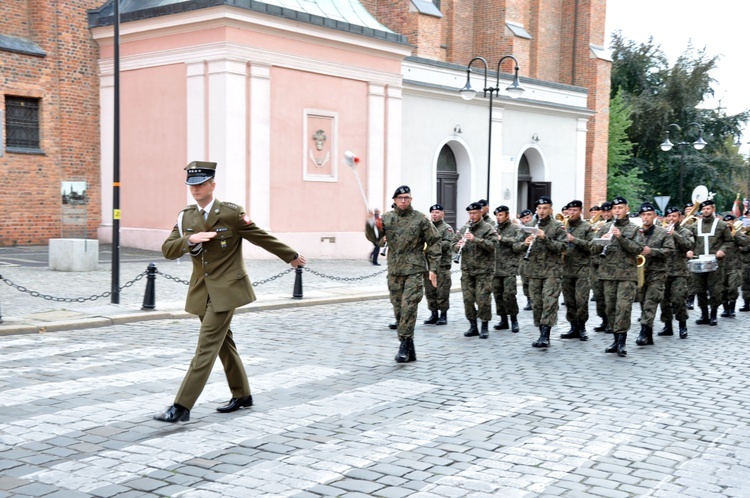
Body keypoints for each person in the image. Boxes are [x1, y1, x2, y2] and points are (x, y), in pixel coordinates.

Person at [155, 161, 306, 423]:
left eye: (201, 184)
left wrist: (290, 256)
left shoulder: (231, 214)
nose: (196, 189)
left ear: (213, 185)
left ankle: (181, 406)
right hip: (202, 291)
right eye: (192, 185)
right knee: (225, 344)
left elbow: (259, 236)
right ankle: (242, 395)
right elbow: (167, 250)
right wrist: (189, 240)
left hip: (227, 289)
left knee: (206, 347)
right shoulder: (185, 217)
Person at [366, 186, 440, 362]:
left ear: (411, 199)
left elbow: (434, 242)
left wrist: (433, 269)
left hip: (414, 269)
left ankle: (404, 346)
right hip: (394, 270)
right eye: (400, 198)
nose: (404, 200)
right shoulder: (387, 218)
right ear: (394, 200)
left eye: (407, 197)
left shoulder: (420, 219)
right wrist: (370, 225)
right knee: (398, 308)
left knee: (409, 306)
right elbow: (376, 239)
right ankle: (409, 345)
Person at [597, 196, 644, 357]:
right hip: (608, 275)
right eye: (615, 209)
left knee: (623, 309)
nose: (617, 211)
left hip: (626, 276)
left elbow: (638, 248)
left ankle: (622, 341)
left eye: (620, 208)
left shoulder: (634, 229)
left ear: (627, 209)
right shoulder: (605, 228)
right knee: (610, 308)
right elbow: (591, 248)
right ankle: (615, 340)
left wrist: (620, 237)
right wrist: (600, 242)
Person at [523, 196, 567, 348]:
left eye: (545, 208)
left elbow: (562, 247)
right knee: (537, 303)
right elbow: (516, 247)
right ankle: (540, 330)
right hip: (533, 271)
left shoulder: (558, 226)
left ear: (551, 209)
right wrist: (525, 243)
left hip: (551, 271)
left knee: (549, 302)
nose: (542, 211)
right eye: (539, 208)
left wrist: (544, 237)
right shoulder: (529, 225)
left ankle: (545, 335)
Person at [452, 202, 497, 339]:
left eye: (474, 213)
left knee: (483, 299)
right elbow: (452, 243)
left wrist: (476, 240)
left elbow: (493, 245)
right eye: (470, 214)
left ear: (481, 212)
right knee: (468, 299)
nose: (472, 216)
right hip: (467, 269)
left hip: (484, 270)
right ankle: (473, 326)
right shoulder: (465, 228)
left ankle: (484, 326)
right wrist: (457, 245)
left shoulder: (488, 228)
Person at [686, 199, 732, 326]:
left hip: (715, 262)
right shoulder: (695, 226)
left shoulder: (721, 225)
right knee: (699, 289)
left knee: (715, 289)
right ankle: (704, 314)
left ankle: (713, 314)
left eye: (708, 208)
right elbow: (689, 242)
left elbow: (729, 241)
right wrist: (689, 250)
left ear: (713, 209)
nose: (705, 211)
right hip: (699, 262)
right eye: (704, 209)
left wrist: (722, 250)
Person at [634, 203, 674, 346]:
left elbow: (670, 250)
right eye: (643, 215)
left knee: (651, 302)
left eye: (649, 214)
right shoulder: (635, 232)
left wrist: (652, 251)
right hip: (640, 273)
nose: (646, 217)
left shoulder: (663, 232)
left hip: (657, 273)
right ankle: (649, 335)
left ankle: (643, 333)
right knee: (643, 302)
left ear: (655, 216)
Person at [560, 200, 594, 341]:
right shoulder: (563, 227)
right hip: (566, 268)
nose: (571, 213)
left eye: (575, 210)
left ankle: (582, 327)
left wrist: (574, 239)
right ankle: (573, 326)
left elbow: (592, 246)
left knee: (581, 300)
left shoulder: (587, 227)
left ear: (580, 211)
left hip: (582, 269)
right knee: (569, 300)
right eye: (570, 211)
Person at [658, 206, 695, 339]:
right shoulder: (661, 231)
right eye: (669, 216)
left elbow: (688, 245)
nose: (671, 219)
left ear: (680, 217)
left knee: (679, 299)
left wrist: (675, 234)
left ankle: (682, 325)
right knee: (664, 301)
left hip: (679, 272)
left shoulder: (685, 231)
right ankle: (667, 326)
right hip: (663, 271)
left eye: (674, 216)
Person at [492, 205, 525, 333]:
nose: (498, 217)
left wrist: (502, 239)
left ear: (507, 215)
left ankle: (514, 319)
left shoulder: (515, 228)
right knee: (498, 295)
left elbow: (518, 243)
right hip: (495, 267)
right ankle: (503, 319)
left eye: (501, 215)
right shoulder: (494, 229)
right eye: (497, 215)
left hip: (509, 267)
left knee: (509, 294)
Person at [423, 204, 454, 326]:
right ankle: (433, 314)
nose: (434, 214)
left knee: (442, 291)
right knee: (430, 291)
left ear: (443, 214)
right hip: (429, 264)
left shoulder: (447, 228)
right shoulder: (427, 228)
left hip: (442, 265)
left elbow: (448, 243)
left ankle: (443, 315)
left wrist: (434, 244)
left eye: (437, 212)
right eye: (432, 212)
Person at [720, 214, 750, 317]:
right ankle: (725, 308)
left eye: (730, 221)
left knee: (733, 288)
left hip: (734, 266)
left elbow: (746, 242)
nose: (728, 223)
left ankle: (732, 308)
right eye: (726, 221)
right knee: (723, 289)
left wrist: (735, 234)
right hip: (722, 265)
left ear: (734, 221)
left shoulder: (737, 233)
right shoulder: (720, 234)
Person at [592, 201, 613, 333]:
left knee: (609, 296)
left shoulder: (616, 226)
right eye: (603, 212)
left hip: (610, 265)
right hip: (596, 265)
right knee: (599, 295)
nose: (606, 214)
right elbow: (592, 245)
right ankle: (604, 320)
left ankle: (611, 322)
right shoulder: (598, 225)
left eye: (608, 211)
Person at [517, 209, 534, 311]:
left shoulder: (537, 227)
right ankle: (529, 300)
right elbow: (516, 244)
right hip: (524, 260)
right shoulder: (521, 230)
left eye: (527, 218)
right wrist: (524, 243)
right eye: (523, 218)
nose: (526, 220)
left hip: (536, 261)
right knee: (525, 282)